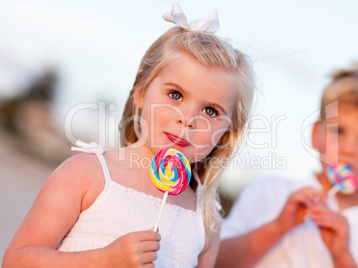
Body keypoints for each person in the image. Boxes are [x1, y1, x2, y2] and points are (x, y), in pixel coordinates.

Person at [3, 3, 255, 267]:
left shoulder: (205, 221)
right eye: (175, 95)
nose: (188, 119)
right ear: (141, 91)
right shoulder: (87, 174)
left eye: (210, 111)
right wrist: (104, 259)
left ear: (227, 133)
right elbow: (17, 260)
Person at [216, 63, 358, 268]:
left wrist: (342, 257)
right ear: (316, 135)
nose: (349, 149)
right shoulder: (268, 191)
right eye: (338, 131)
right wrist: (278, 227)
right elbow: (216, 262)